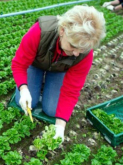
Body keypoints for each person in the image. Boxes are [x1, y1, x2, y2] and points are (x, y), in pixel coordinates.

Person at [11, 5, 106, 143]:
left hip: (58, 69)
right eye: (73, 46)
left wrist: (60, 127)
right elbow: (19, 64)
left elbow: (72, 90)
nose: (76, 53)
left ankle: (45, 83)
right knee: (26, 103)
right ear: (62, 31)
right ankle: (36, 83)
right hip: (36, 64)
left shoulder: (84, 54)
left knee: (52, 110)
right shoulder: (40, 31)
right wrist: (23, 88)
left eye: (82, 49)